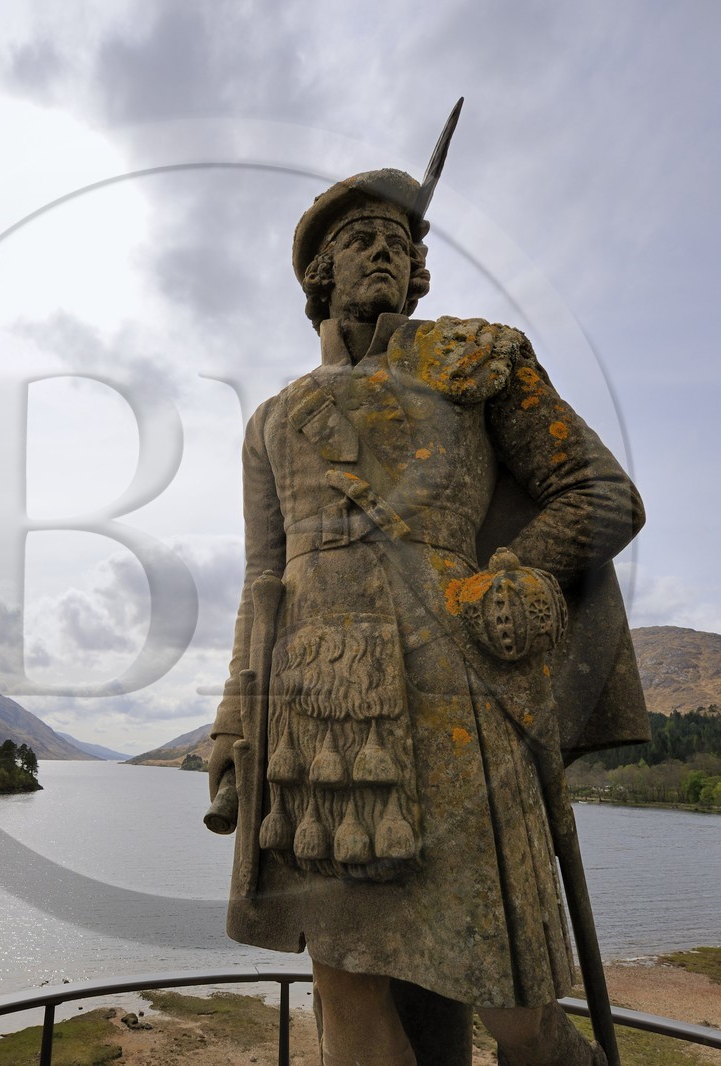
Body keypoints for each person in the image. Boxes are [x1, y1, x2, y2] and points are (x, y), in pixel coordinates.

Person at [206, 168, 647, 1066]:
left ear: (419, 277)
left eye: (400, 244)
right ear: (318, 278)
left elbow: (602, 494)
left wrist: (515, 570)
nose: (385, 252)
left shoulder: (474, 357)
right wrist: (230, 716)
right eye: (360, 240)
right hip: (308, 717)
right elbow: (262, 578)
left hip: (454, 694)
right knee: (347, 984)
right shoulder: (269, 421)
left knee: (515, 1007)